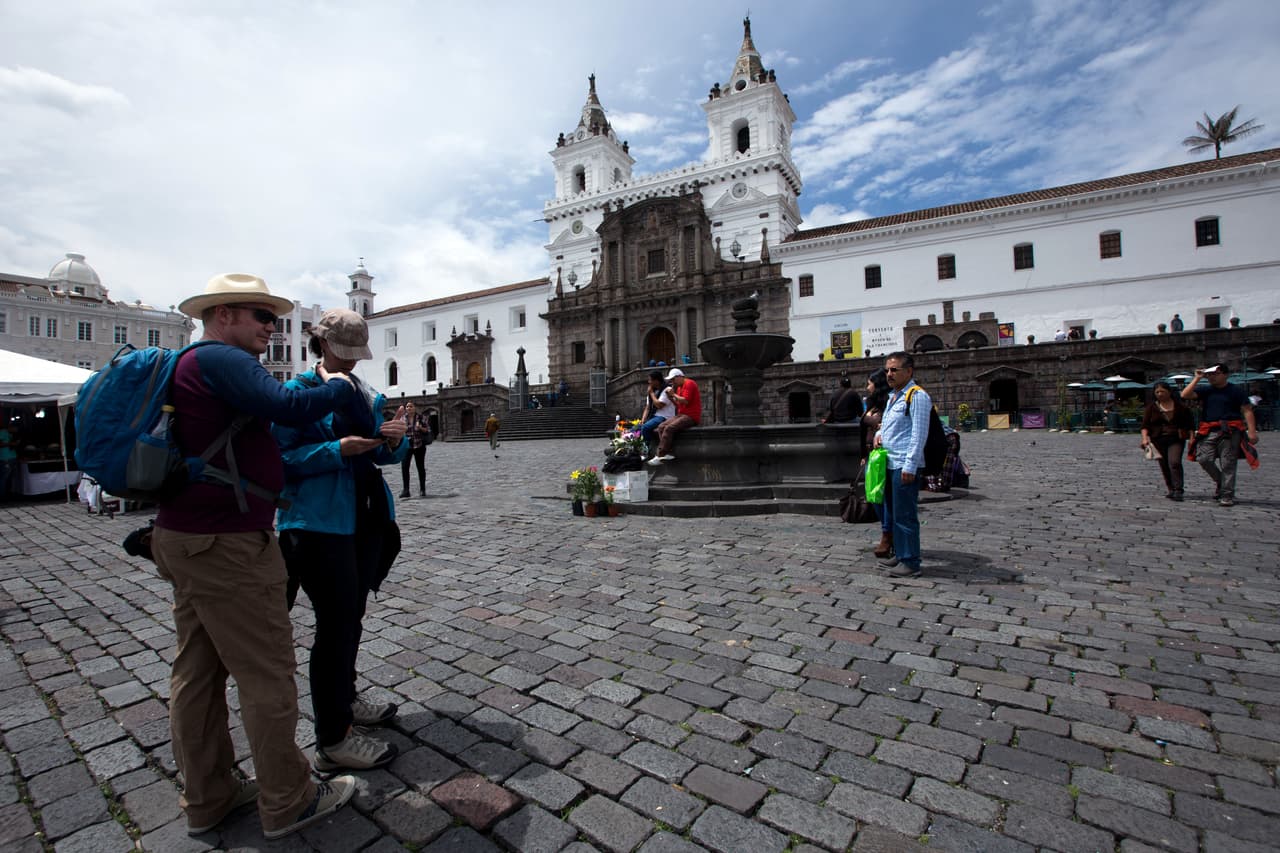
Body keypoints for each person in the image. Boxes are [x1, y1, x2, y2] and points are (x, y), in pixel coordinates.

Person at [153, 274, 358, 839]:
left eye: (273, 317)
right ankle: (288, 798)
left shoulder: (193, 363)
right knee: (267, 670)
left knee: (197, 672)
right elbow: (285, 405)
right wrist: (340, 387)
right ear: (221, 315)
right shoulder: (222, 360)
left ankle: (209, 796)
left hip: (189, 535)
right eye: (260, 316)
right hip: (227, 544)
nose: (271, 326)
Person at [274, 308, 408, 774]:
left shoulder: (362, 393)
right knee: (334, 629)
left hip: (361, 519)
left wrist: (394, 439)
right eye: (342, 352)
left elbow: (384, 457)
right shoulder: (297, 393)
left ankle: (345, 701)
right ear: (322, 345)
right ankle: (332, 738)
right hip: (316, 524)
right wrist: (336, 450)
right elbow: (280, 459)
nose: (350, 362)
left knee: (350, 620)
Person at [873, 352, 930, 578]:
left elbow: (918, 433)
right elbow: (891, 426)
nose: (889, 374)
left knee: (905, 515)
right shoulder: (893, 397)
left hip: (903, 465)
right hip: (889, 461)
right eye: (887, 370)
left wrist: (911, 465)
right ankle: (900, 554)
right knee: (894, 514)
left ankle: (911, 561)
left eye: (894, 370)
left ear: (909, 371)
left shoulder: (917, 396)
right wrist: (879, 433)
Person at [1182, 363, 1258, 506]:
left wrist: (1252, 431)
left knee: (1228, 463)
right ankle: (1221, 483)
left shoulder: (1236, 391)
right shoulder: (1206, 390)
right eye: (1209, 374)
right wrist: (1197, 378)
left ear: (1225, 374)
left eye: (1215, 374)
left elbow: (1247, 410)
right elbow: (1185, 394)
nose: (1211, 377)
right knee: (1204, 458)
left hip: (1230, 430)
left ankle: (1227, 495)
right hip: (1209, 430)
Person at [1141, 381, 1194, 501]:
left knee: (1174, 462)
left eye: (1162, 391)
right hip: (1158, 439)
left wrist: (1191, 438)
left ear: (1169, 392)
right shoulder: (1152, 407)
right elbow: (1145, 425)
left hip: (1176, 438)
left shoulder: (1181, 407)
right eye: (1157, 392)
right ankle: (1171, 488)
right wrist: (1145, 438)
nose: (1160, 394)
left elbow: (1190, 424)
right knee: (1164, 465)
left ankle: (1178, 489)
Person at [861, 369, 893, 558]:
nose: (867, 387)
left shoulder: (888, 403)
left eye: (869, 383)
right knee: (874, 495)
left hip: (883, 454)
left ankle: (887, 534)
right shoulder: (872, 403)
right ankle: (887, 531)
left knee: (883, 496)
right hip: (871, 454)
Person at [648, 368, 700, 464]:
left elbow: (685, 401)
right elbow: (678, 405)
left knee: (669, 428)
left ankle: (660, 454)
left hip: (691, 416)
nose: (672, 382)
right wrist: (671, 398)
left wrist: (673, 394)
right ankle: (668, 452)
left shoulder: (689, 383)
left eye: (673, 380)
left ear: (679, 377)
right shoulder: (679, 387)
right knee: (661, 427)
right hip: (681, 414)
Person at [638, 370, 675, 456]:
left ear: (656, 381)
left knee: (646, 428)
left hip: (665, 416)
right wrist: (643, 420)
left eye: (650, 380)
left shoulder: (667, 389)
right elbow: (647, 407)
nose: (648, 382)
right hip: (654, 416)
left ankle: (646, 450)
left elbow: (659, 405)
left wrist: (651, 393)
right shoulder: (653, 391)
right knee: (635, 429)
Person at [399, 401, 430, 498]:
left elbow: (428, 430)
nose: (409, 408)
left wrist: (420, 427)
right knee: (404, 467)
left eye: (411, 406)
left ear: (415, 408)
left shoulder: (421, 418)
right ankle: (406, 490)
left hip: (419, 445)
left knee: (420, 467)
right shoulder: (402, 418)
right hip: (407, 446)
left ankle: (422, 489)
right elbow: (399, 431)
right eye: (407, 406)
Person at [0, 424, 15, 501]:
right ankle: (2, 496)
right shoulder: (2, 432)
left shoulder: (10, 434)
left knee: (9, 477)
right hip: (5, 458)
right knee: (4, 477)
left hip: (11, 457)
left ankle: (8, 494)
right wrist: (10, 444)